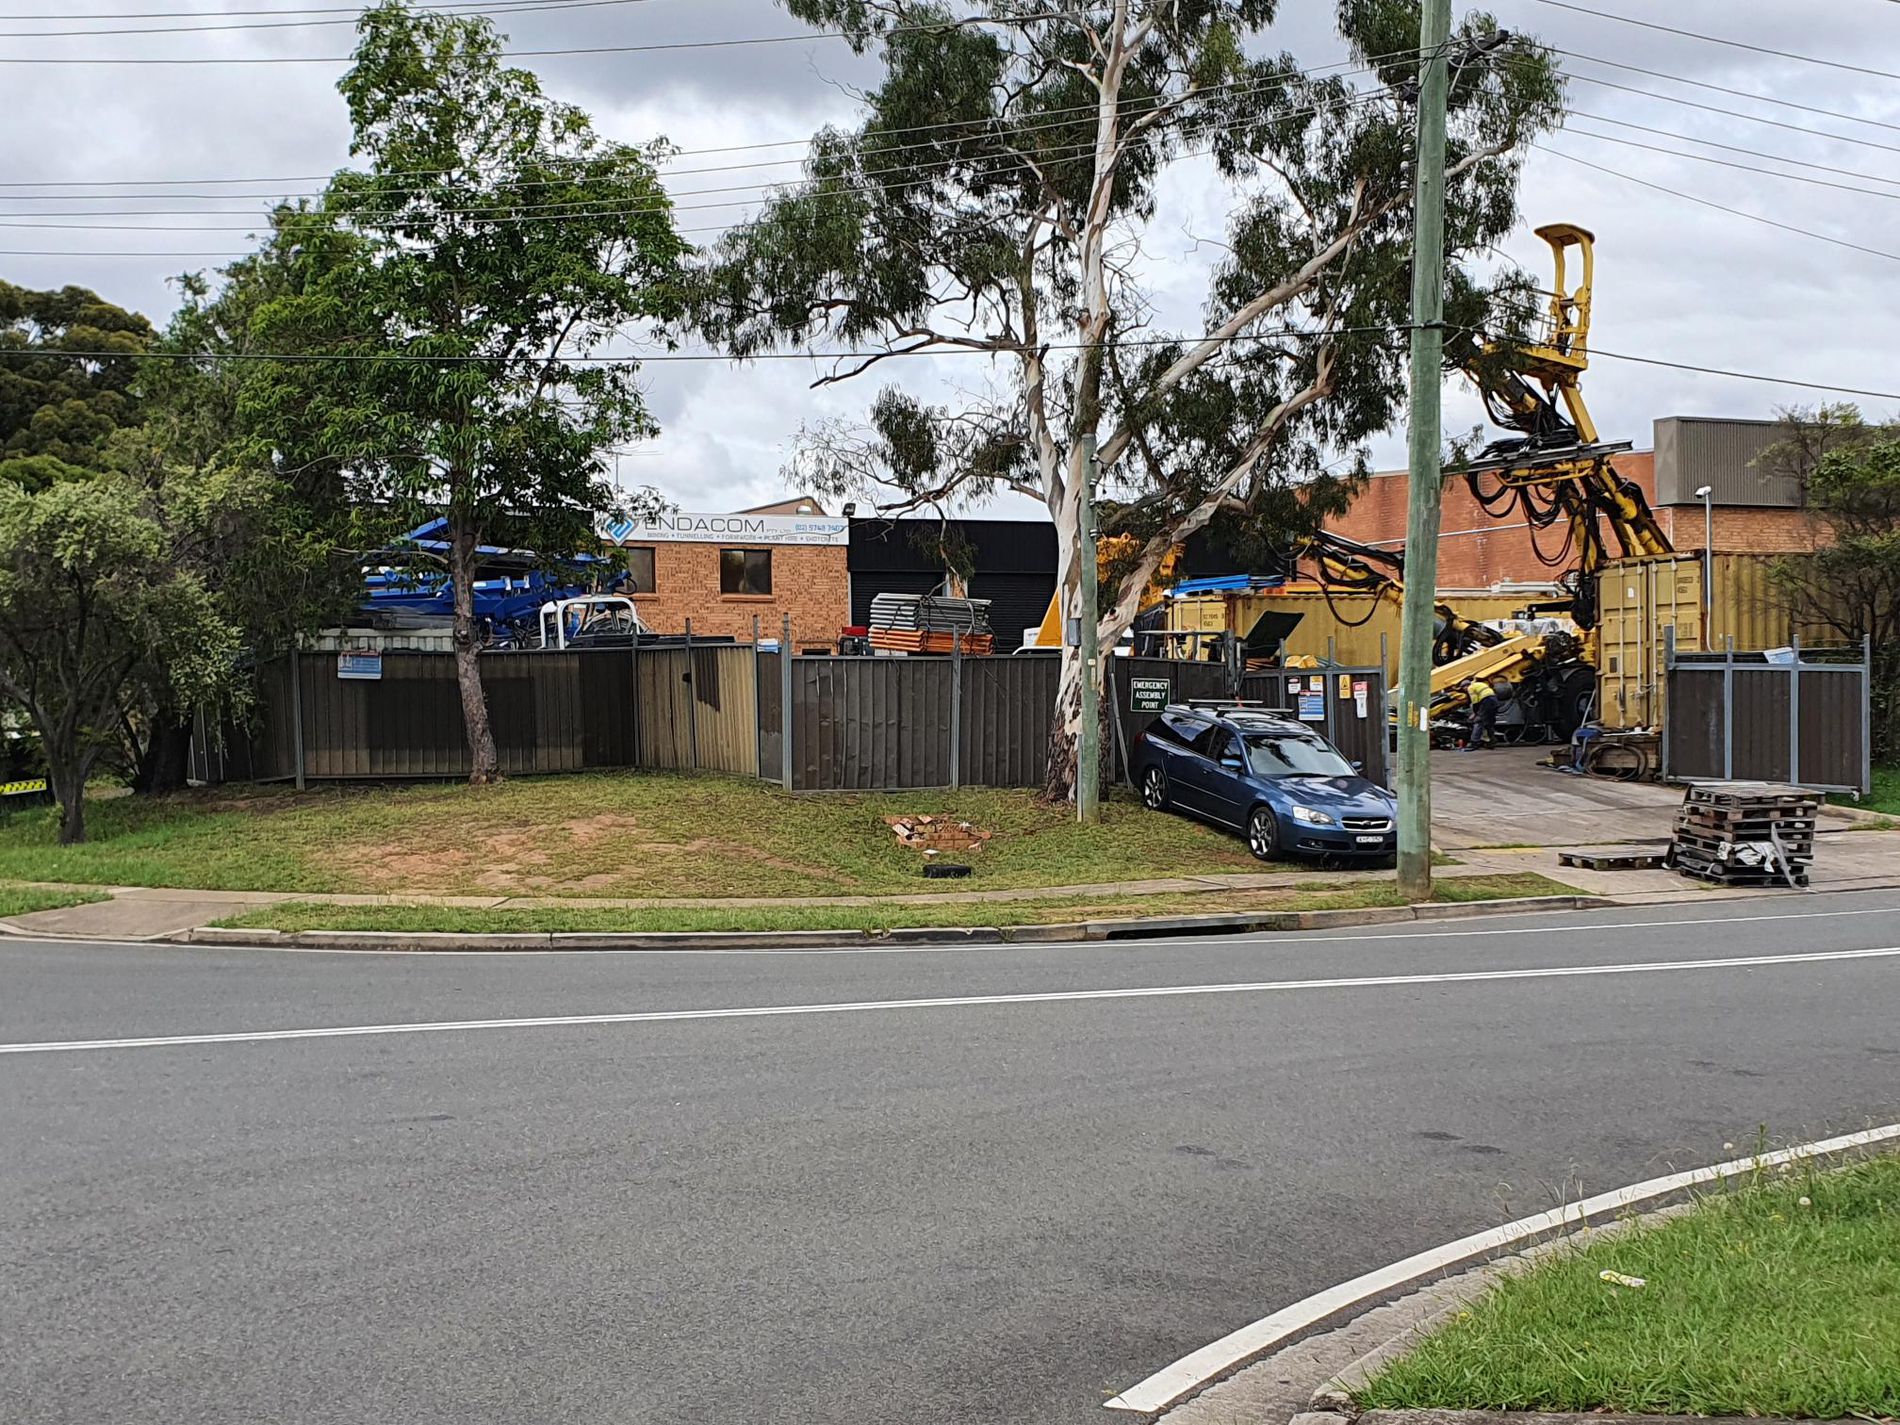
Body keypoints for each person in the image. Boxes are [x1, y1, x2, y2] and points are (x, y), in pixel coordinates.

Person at [1465, 675, 1501, 750]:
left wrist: (1475, 714)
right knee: (1489, 723)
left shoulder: (1470, 687)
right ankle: (1491, 742)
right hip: (1494, 700)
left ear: (1466, 685)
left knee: (1478, 721)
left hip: (1486, 701)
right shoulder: (1480, 684)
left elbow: (1475, 702)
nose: (1465, 690)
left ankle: (1474, 743)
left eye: (1463, 688)